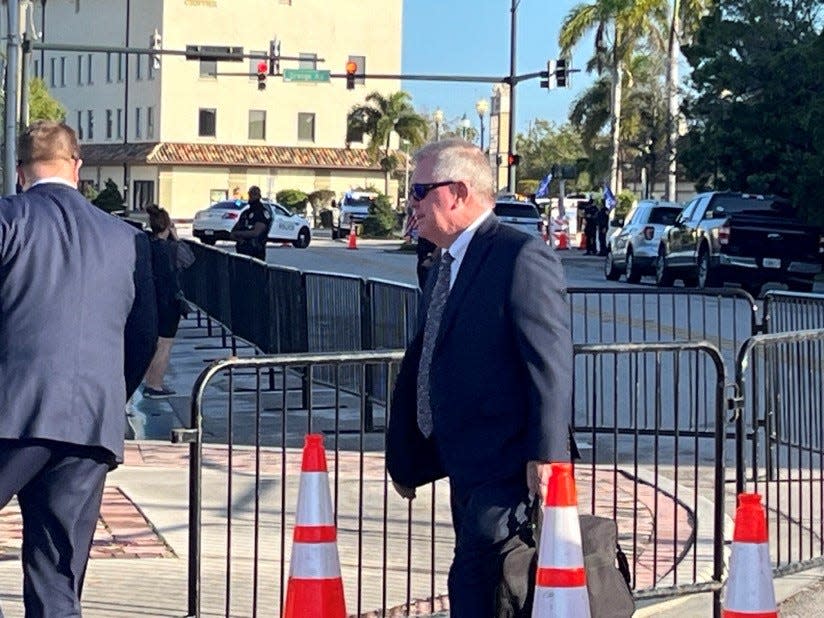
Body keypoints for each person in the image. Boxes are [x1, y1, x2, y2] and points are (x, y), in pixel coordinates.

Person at [385, 139, 573, 616]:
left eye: (419, 191)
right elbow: (427, 358)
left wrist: (548, 455)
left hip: (506, 466)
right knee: (483, 589)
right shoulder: (442, 262)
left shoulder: (519, 256)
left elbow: (548, 361)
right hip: (461, 463)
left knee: (478, 586)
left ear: (458, 192)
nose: (411, 204)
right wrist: (410, 456)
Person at [0, 120, 157, 616]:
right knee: (56, 576)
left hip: (11, 413)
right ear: (78, 167)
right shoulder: (127, 239)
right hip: (91, 424)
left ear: (20, 171)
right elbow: (144, 336)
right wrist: (108, 392)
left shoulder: (9, 219)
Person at [142, 204, 183, 399]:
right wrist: (176, 237)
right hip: (169, 300)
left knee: (154, 343)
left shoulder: (147, 245)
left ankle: (149, 380)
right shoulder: (171, 249)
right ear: (167, 225)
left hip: (152, 299)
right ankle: (155, 383)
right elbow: (189, 260)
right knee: (165, 344)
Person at [230, 185, 272, 260]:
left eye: (255, 194)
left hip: (256, 253)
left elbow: (256, 232)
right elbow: (233, 232)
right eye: (251, 194)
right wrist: (240, 240)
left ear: (259, 196)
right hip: (242, 252)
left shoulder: (262, 212)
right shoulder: (245, 213)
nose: (252, 196)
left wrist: (238, 234)